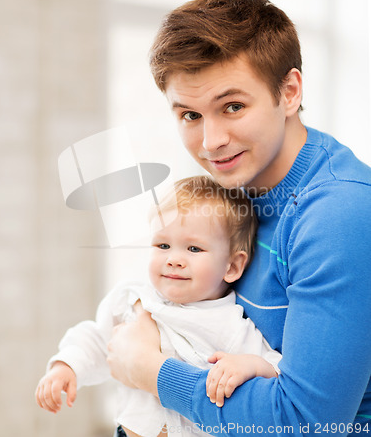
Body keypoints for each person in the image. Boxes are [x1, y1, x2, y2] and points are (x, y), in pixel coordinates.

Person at [106, 0, 371, 436]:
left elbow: (305, 423)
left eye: (233, 107)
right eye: (190, 115)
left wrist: (151, 371)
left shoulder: (339, 215)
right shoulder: (234, 185)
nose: (211, 141)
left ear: (288, 92)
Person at [35, 175, 282, 437]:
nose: (174, 259)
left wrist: (250, 365)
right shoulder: (135, 298)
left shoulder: (229, 324)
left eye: (194, 248)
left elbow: (277, 370)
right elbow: (99, 339)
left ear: (231, 266)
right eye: (163, 245)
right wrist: (67, 365)